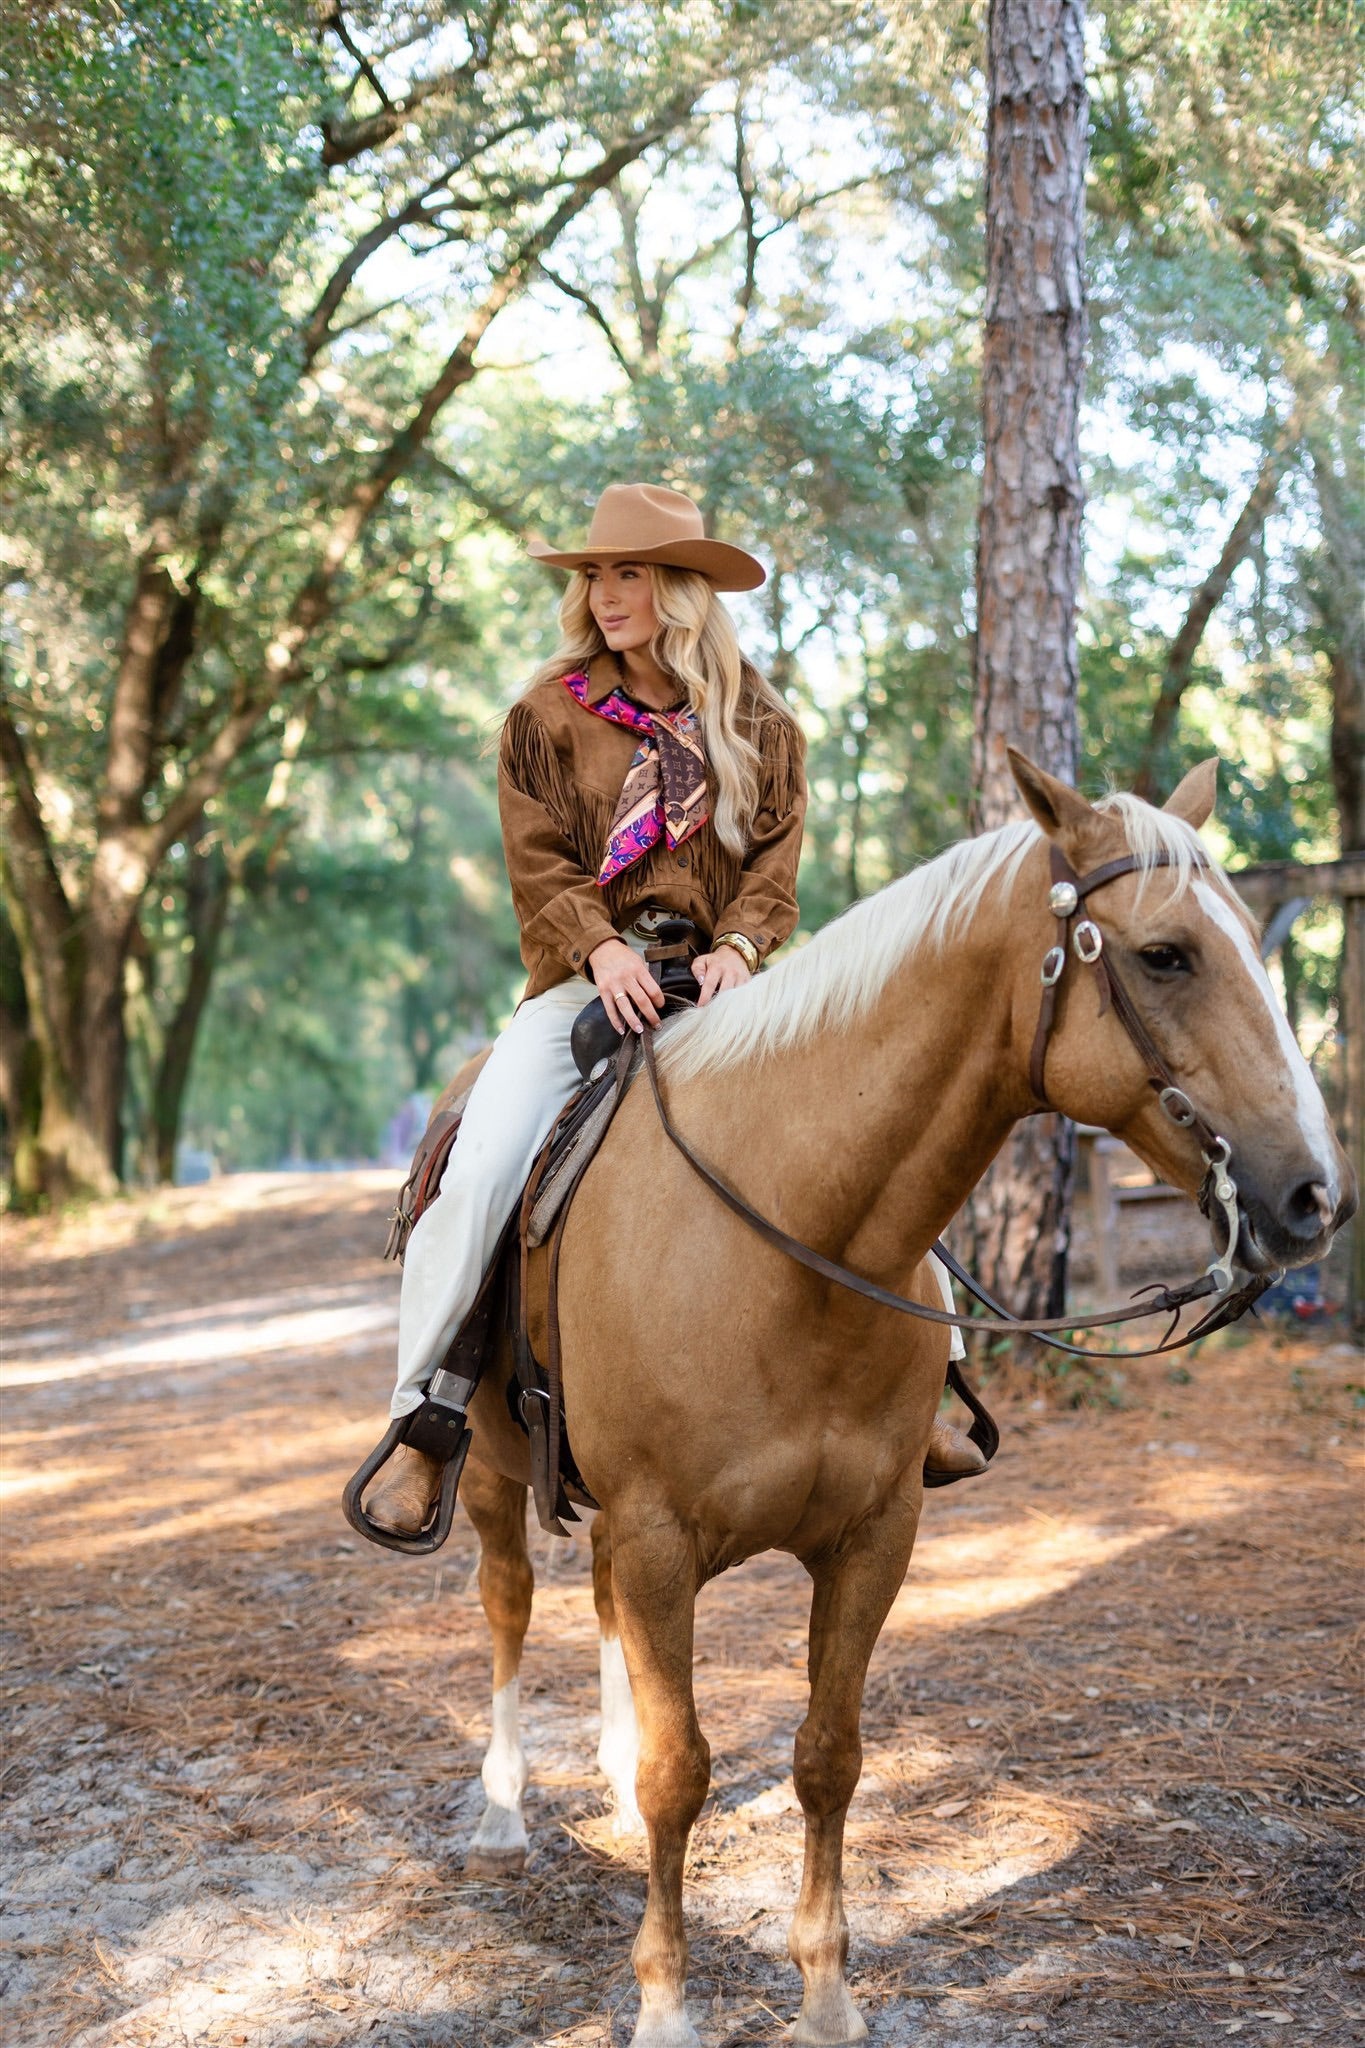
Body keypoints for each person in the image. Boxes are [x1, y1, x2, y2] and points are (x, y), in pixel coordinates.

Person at [364, 483, 981, 1536]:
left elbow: (773, 866)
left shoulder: (761, 725)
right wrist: (600, 947)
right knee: (479, 1172)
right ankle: (425, 1418)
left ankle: (933, 1385)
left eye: (631, 573)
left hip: (728, 985)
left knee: (873, 1129)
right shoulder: (543, 717)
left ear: (682, 589)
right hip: (583, 981)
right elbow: (537, 863)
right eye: (595, 575)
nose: (606, 594)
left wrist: (740, 946)